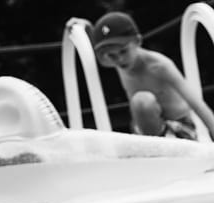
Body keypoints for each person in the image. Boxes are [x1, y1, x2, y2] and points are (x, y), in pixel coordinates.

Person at [90, 11, 214, 140]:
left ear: (138, 41)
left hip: (180, 129)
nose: (119, 59)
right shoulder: (116, 62)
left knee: (142, 101)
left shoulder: (159, 66)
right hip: (145, 131)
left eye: (123, 51)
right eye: (112, 55)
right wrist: (85, 27)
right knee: (141, 105)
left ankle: (155, 149)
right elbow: (98, 56)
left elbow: (196, 104)